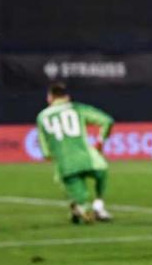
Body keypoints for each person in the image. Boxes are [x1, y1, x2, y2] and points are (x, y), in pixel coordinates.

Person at [35, 82, 114, 223]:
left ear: (50, 97)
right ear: (67, 97)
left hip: (65, 165)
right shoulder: (77, 109)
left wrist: (48, 155)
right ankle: (98, 205)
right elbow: (107, 120)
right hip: (87, 158)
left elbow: (44, 144)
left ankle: (79, 207)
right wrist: (101, 140)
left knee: (80, 198)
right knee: (102, 171)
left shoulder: (42, 116)